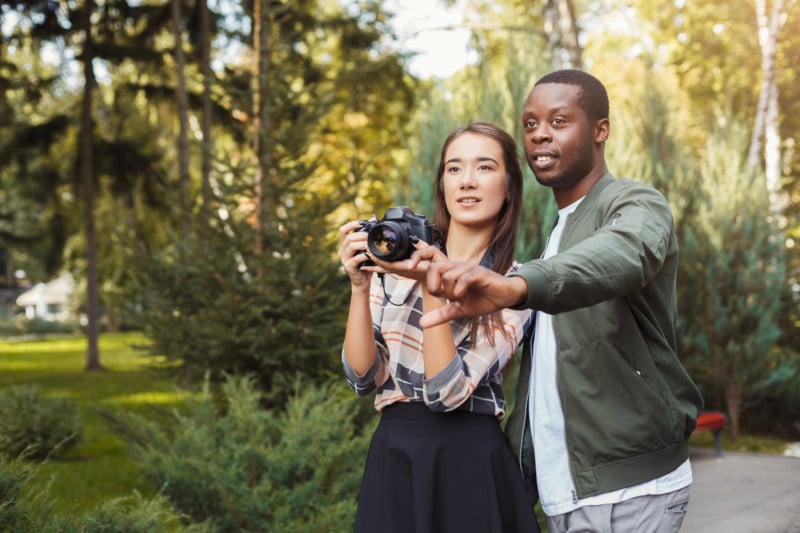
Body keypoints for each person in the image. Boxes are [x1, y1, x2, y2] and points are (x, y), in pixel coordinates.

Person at [412, 70, 704, 532]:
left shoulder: (635, 204)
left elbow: (625, 253)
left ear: (600, 130)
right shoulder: (559, 231)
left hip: (628, 490)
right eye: (530, 124)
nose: (541, 134)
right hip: (562, 491)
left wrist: (519, 285)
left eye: (559, 120)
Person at [337, 121, 541, 533]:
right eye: (454, 168)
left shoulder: (514, 285)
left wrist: (432, 285)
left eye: (484, 168)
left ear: (509, 188)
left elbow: (446, 394)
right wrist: (360, 287)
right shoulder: (393, 263)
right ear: (443, 185)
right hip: (394, 456)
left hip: (468, 461)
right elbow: (362, 377)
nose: (467, 181)